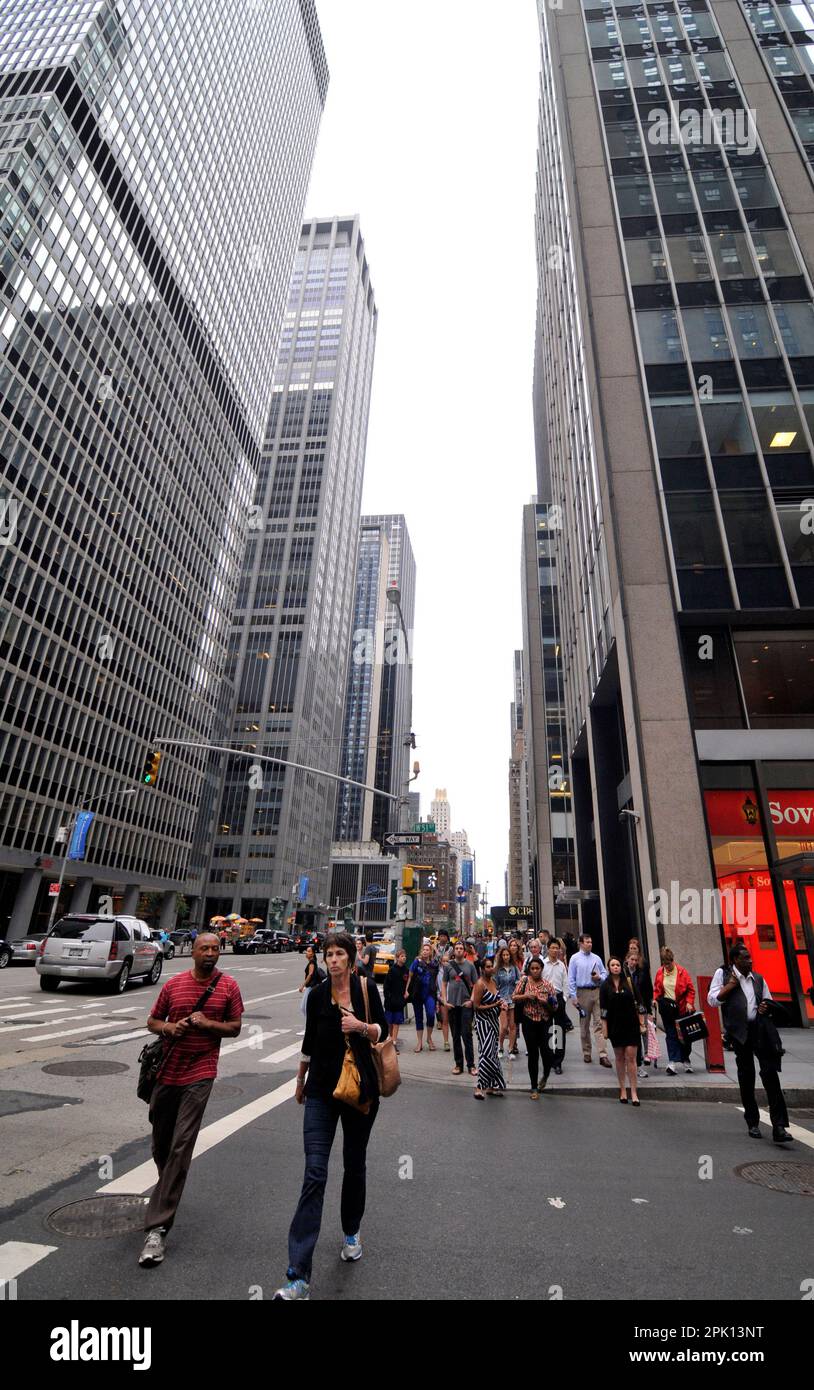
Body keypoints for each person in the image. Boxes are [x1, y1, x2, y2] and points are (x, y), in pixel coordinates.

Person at [274, 932, 388, 1300]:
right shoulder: (319, 994)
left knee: (354, 1164)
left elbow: (382, 1032)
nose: (333, 959)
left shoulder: (366, 990)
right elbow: (308, 1040)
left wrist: (360, 1027)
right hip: (322, 1091)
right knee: (315, 1173)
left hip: (359, 1092)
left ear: (351, 960)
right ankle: (298, 1276)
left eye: (340, 954)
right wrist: (299, 1080)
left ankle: (351, 1230)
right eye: (329, 954)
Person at [139, 933, 244, 1267]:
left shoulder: (228, 987)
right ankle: (165, 1188)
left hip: (201, 1072)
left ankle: (157, 1227)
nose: (211, 953)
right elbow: (152, 1021)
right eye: (205, 948)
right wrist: (170, 1029)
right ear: (193, 952)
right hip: (167, 1071)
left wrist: (208, 1023)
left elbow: (236, 1027)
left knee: (183, 1145)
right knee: (162, 1144)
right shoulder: (174, 985)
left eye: (215, 949)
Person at [708, 944, 792, 1145]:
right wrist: (729, 986)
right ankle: (752, 1121)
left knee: (770, 1075)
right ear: (735, 960)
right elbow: (712, 999)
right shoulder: (723, 973)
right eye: (745, 958)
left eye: (750, 957)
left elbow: (769, 1001)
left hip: (760, 1030)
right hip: (739, 1033)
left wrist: (765, 1006)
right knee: (747, 1076)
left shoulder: (758, 978)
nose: (750, 961)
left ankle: (779, 1126)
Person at [513, 956, 557, 1098]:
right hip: (529, 1021)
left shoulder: (547, 985)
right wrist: (526, 996)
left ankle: (545, 1075)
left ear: (542, 969)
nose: (535, 971)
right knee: (533, 1054)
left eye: (537, 968)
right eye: (532, 968)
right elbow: (514, 996)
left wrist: (545, 1002)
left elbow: (555, 1006)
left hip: (544, 1022)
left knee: (546, 1053)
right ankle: (533, 1087)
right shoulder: (524, 981)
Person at [600, 957, 642, 1105]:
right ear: (609, 968)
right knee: (619, 1058)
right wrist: (604, 1028)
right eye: (613, 965)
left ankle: (634, 1092)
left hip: (631, 1024)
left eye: (618, 964)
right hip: (615, 1025)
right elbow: (603, 1009)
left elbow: (640, 1002)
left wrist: (642, 1022)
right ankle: (623, 1089)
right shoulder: (605, 986)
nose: (616, 967)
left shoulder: (629, 982)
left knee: (631, 1058)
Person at [567, 934, 610, 1067]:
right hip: (582, 992)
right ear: (581, 943)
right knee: (584, 1025)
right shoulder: (574, 958)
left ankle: (603, 1054)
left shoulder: (596, 958)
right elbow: (571, 978)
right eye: (587, 942)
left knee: (599, 1023)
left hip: (596, 992)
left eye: (591, 942)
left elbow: (604, 974)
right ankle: (587, 1052)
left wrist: (600, 978)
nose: (590, 944)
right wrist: (573, 996)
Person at [653, 946, 695, 1075]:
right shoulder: (660, 972)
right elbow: (657, 989)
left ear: (673, 960)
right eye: (665, 964)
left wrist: (689, 1002)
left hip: (681, 1008)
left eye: (669, 963)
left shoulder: (682, 972)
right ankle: (672, 1062)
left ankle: (685, 1059)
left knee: (685, 1037)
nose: (667, 966)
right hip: (667, 1009)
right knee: (671, 1034)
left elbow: (690, 990)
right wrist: (655, 999)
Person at [442, 941, 478, 1076]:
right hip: (452, 1005)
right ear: (454, 951)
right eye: (456, 948)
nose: (458, 950)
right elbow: (444, 984)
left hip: (466, 1005)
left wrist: (472, 1000)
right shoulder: (448, 966)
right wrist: (445, 1001)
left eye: (460, 948)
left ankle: (471, 1065)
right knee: (455, 1035)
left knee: (467, 1034)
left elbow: (476, 985)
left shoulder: (470, 966)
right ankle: (458, 1064)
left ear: (464, 951)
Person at [471, 956, 505, 1099]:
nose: (490, 969)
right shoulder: (480, 984)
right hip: (483, 1022)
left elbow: (497, 999)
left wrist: (501, 1004)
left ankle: (492, 1086)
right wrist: (495, 1005)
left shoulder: (494, 982)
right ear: (482, 969)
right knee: (485, 1054)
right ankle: (479, 1087)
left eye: (492, 966)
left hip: (493, 1021)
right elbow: (476, 1006)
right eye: (487, 966)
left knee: (492, 1053)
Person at [624, 939, 653, 1080]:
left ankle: (639, 1063)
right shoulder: (623, 973)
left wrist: (648, 1008)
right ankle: (627, 1063)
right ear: (627, 959)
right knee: (628, 1038)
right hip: (626, 1009)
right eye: (631, 959)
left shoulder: (641, 971)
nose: (633, 962)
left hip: (639, 1007)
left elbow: (647, 989)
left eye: (636, 959)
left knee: (641, 1033)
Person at [405, 942, 438, 1052]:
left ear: (430, 952)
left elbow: (437, 978)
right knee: (419, 1018)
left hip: (430, 993)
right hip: (417, 993)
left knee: (430, 1014)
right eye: (423, 949)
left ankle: (429, 1038)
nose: (425, 951)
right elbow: (410, 977)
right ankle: (419, 1042)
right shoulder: (416, 962)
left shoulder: (434, 963)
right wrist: (406, 990)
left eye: (427, 950)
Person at [542, 938, 569, 1073]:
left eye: (556, 948)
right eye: (552, 947)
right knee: (546, 1030)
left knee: (558, 1030)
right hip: (545, 999)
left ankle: (558, 1062)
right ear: (548, 948)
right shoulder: (542, 964)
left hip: (558, 998)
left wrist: (564, 998)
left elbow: (566, 983)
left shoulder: (562, 965)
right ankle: (549, 1059)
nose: (554, 950)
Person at [494, 946, 521, 1055]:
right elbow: (494, 985)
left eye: (507, 955)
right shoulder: (497, 970)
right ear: (501, 956)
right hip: (502, 999)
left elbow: (519, 982)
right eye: (504, 955)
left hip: (513, 999)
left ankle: (510, 1049)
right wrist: (498, 998)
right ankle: (500, 1046)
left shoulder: (514, 968)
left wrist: (516, 991)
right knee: (504, 1026)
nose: (506, 957)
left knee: (513, 1026)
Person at [383, 948, 409, 1052]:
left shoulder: (406, 971)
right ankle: (389, 1039)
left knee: (397, 1022)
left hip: (399, 1001)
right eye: (402, 956)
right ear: (397, 958)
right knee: (389, 1022)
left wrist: (406, 994)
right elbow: (386, 986)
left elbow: (408, 984)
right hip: (390, 1001)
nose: (404, 958)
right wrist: (388, 997)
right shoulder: (392, 970)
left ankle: (394, 1042)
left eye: (405, 956)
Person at [434, 931, 452, 1051]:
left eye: (444, 936)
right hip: (439, 986)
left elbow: (442, 959)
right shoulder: (435, 947)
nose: (442, 938)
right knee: (444, 1018)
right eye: (440, 936)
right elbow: (435, 962)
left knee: (453, 1020)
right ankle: (446, 1041)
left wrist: (435, 951)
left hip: (452, 989)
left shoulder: (450, 948)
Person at [300, 944, 324, 1016]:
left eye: (309, 951)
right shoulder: (313, 961)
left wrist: (302, 986)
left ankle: (310, 1023)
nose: (307, 952)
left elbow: (310, 975)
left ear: (313, 953)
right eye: (307, 951)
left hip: (311, 987)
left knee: (304, 1008)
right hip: (311, 987)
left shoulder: (312, 962)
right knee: (305, 1008)